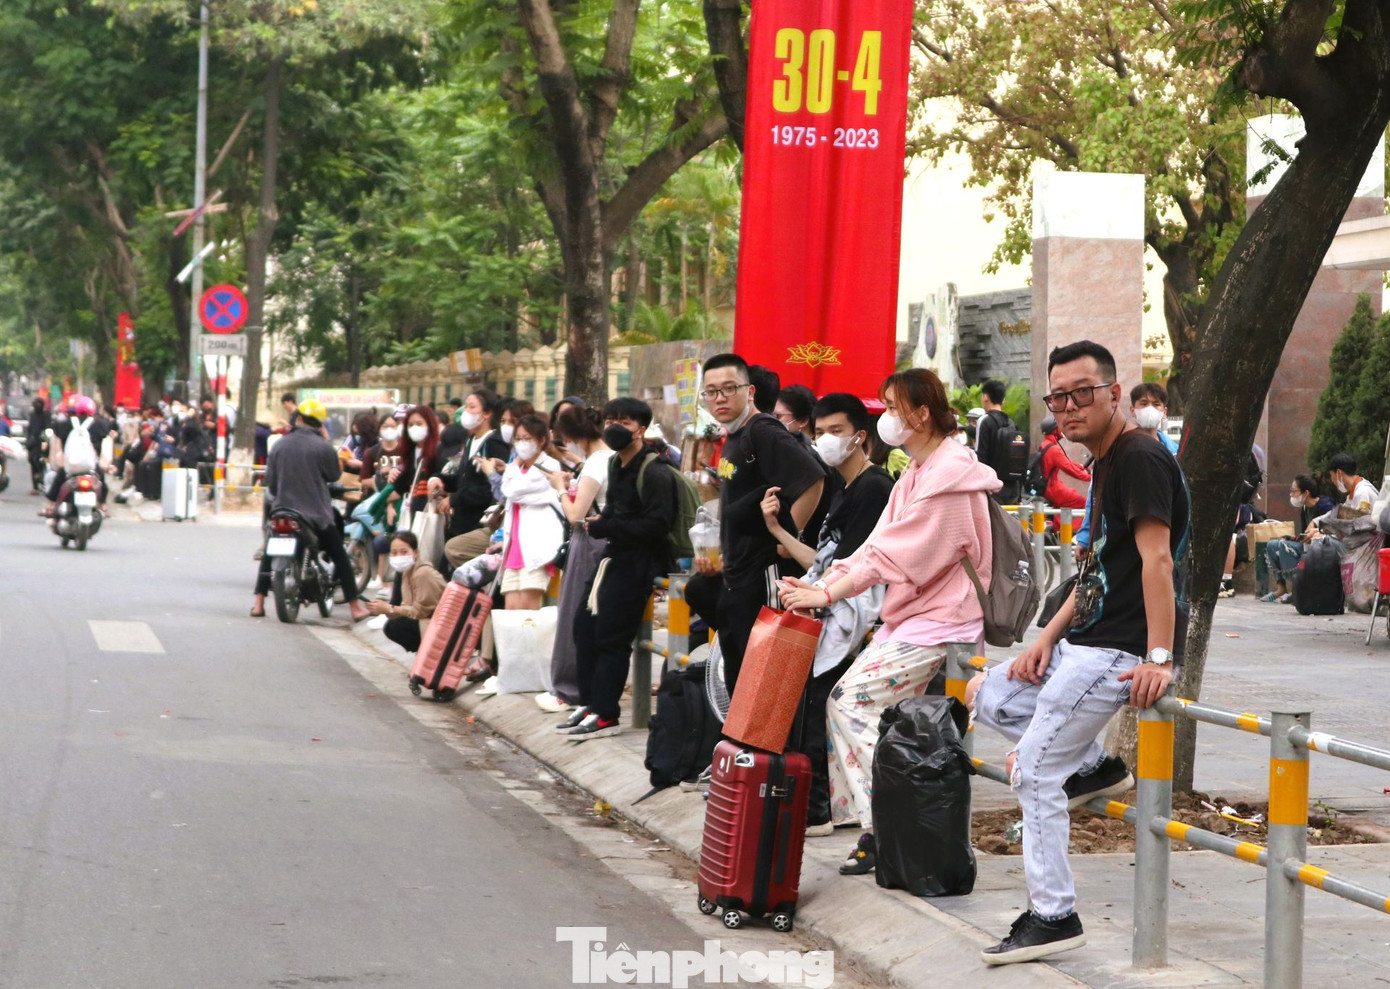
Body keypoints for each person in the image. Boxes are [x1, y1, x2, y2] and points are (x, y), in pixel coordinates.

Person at [970, 340, 1189, 965]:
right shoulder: (1104, 461)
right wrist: (1045, 637)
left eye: (1082, 393)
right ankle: (1092, 767)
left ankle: (1053, 915)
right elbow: (1094, 569)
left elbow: (1157, 560)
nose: (1068, 407)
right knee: (992, 691)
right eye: (1058, 396)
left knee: (1034, 769)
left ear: (1114, 393)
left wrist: (1159, 656)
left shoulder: (1140, 458)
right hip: (1082, 641)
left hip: (1116, 653)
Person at [780, 370, 999, 869]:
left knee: (849, 703)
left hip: (944, 622)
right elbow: (874, 547)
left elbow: (892, 557)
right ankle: (883, 829)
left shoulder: (950, 481)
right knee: (871, 715)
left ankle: (886, 827)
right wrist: (822, 586)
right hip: (913, 617)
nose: (888, 418)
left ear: (922, 414)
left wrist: (825, 592)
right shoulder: (920, 472)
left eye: (894, 408)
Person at [761, 393, 893, 836]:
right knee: (809, 704)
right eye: (818, 432)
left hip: (853, 615)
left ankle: (818, 808)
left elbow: (859, 567)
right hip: (826, 604)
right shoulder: (843, 486)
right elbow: (825, 560)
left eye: (835, 432)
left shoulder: (875, 488)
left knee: (819, 703)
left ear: (860, 436)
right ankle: (821, 803)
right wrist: (778, 530)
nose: (824, 440)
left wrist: (818, 592)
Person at [698, 353, 824, 692]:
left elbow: (813, 479)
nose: (719, 397)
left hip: (764, 572)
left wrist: (788, 538)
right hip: (736, 573)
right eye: (711, 391)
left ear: (749, 391)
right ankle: (744, 744)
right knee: (741, 678)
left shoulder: (764, 431)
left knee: (762, 682)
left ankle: (767, 746)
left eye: (728, 388)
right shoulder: (734, 437)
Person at [562, 398, 677, 741]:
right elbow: (616, 510)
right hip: (613, 558)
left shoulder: (655, 471)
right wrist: (604, 521)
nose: (615, 427)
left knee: (611, 637)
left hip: (638, 564)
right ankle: (589, 702)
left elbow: (657, 524)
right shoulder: (615, 464)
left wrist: (608, 527)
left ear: (641, 429)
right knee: (584, 628)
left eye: (624, 422)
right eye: (610, 419)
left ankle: (606, 713)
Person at [251, 399, 370, 622]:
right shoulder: (323, 447)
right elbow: (334, 476)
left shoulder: (279, 445)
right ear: (319, 424)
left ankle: (258, 603)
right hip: (315, 515)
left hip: (281, 511)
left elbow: (272, 484)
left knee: (269, 550)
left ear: (299, 419)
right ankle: (355, 607)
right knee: (339, 554)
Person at [538, 406, 613, 714]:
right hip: (604, 540)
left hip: (589, 541)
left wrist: (559, 489)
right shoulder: (608, 456)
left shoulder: (596, 463)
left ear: (570, 437)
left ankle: (568, 690)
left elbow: (575, 515)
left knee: (574, 614)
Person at [433, 389, 510, 569]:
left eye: (472, 407)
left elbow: (488, 488)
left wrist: (454, 498)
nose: (466, 412)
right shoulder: (470, 441)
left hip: (478, 521)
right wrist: (439, 480)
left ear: (487, 413)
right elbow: (464, 478)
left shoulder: (494, 443)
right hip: (461, 520)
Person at [496, 414, 564, 610]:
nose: (521, 444)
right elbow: (509, 491)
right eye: (518, 439)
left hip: (536, 546)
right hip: (513, 547)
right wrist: (514, 470)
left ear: (541, 440)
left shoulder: (549, 466)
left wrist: (512, 469)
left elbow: (512, 490)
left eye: (527, 438)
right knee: (510, 609)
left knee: (528, 609)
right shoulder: (516, 468)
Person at [366, 531, 447, 653]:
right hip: (428, 621)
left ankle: (428, 656)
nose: (399, 556)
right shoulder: (406, 572)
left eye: (404, 552)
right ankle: (422, 657)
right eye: (394, 553)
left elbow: (420, 612)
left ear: (415, 553)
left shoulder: (423, 573)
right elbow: (407, 607)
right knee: (391, 626)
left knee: (397, 626)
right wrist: (383, 608)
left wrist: (389, 608)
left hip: (441, 625)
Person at [1263, 475, 1336, 603]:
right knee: (1272, 545)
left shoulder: (1325, 505)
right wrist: (1295, 538)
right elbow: (1305, 534)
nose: (1291, 495)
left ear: (1306, 493)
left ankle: (1296, 589)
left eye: (1294, 491)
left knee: (1285, 547)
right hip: (1307, 546)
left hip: (1323, 550)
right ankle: (1281, 588)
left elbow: (1333, 529)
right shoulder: (1304, 508)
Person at [360, 411, 406, 589]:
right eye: (385, 426)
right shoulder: (372, 452)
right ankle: (380, 576)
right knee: (379, 537)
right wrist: (381, 483)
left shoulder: (404, 450)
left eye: (393, 426)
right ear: (379, 429)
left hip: (400, 499)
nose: (389, 430)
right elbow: (364, 479)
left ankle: (388, 578)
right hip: (378, 498)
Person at [974, 378, 1020, 503]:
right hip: (1012, 487)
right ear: (1003, 400)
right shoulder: (1011, 423)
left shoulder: (984, 420)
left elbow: (980, 457)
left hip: (992, 488)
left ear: (985, 397)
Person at [1037, 415, 1090, 511]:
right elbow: (1069, 468)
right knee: (1083, 502)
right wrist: (1090, 478)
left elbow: (1066, 462)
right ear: (1054, 430)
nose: (1062, 430)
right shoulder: (1054, 449)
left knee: (1062, 506)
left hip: (1047, 486)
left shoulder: (1045, 444)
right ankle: (1075, 526)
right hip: (1053, 488)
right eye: (1059, 428)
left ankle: (1059, 525)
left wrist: (1081, 467)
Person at [1130, 383, 1179, 454]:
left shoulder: (1174, 450)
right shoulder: (1125, 446)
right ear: (1132, 410)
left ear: (1164, 412)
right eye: (1144, 404)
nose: (1150, 409)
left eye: (1156, 404)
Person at [26, 396, 50, 495]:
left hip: (42, 443)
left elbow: (48, 429)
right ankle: (35, 486)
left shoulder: (46, 416)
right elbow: (29, 429)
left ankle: (41, 480)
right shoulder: (32, 415)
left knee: (41, 462)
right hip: (33, 443)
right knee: (32, 461)